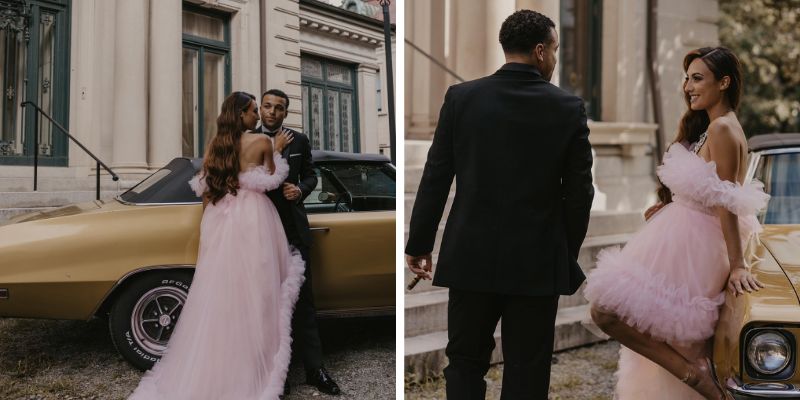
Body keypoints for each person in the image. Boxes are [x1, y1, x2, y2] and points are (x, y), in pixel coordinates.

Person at [405, 10, 594, 399]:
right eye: (555, 50)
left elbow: (436, 176)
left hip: (471, 254)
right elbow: (580, 195)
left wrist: (419, 244)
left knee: (464, 361)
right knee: (528, 366)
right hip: (537, 259)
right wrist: (563, 252)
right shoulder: (568, 108)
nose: (555, 60)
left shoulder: (461, 98)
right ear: (540, 51)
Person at [585, 47, 770, 400]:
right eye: (687, 78)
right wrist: (673, 203)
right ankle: (693, 378)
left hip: (696, 246)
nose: (688, 86)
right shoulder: (711, 127)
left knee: (607, 311)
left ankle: (696, 376)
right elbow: (708, 190)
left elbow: (728, 203)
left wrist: (737, 266)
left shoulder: (723, 130)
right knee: (664, 335)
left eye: (697, 78)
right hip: (681, 232)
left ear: (725, 82)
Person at [128, 91, 305, 400]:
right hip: (254, 221)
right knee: (258, 293)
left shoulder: (215, 145)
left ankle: (219, 367)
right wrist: (276, 151)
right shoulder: (263, 143)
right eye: (252, 111)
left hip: (222, 222)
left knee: (222, 295)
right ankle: (256, 368)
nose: (256, 116)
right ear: (241, 115)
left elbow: (207, 192)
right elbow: (272, 181)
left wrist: (210, 228)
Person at [257, 88, 341, 395]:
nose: (272, 112)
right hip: (260, 234)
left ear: (285, 113)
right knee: (266, 305)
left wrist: (301, 190)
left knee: (304, 303)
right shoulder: (248, 139)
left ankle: (315, 369)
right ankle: (274, 376)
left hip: (294, 232)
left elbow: (311, 175)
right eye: (267, 106)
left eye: (279, 108)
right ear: (260, 108)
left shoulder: (299, 140)